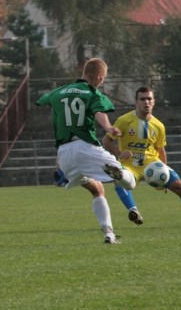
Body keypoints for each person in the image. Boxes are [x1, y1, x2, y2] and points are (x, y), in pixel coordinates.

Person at [36, 58, 136, 244]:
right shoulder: (92, 93)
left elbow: (42, 101)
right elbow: (99, 112)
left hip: (64, 154)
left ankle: (109, 234)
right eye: (103, 78)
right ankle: (119, 173)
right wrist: (108, 128)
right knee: (129, 183)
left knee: (97, 189)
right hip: (85, 147)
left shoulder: (59, 91)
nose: (103, 81)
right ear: (98, 76)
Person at [102, 86, 181, 228]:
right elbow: (106, 141)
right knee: (119, 179)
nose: (146, 102)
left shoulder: (159, 126)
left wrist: (165, 171)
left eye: (149, 99)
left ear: (154, 101)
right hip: (130, 164)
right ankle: (133, 211)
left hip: (152, 164)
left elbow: (161, 150)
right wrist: (119, 153)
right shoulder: (124, 120)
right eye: (142, 99)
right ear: (136, 102)